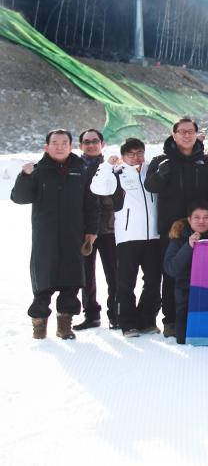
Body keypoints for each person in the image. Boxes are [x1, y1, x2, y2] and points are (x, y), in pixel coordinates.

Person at [11, 130, 98, 340]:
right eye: (55, 143)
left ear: (71, 146)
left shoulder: (81, 169)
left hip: (73, 234)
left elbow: (90, 203)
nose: (60, 146)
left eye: (64, 143)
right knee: (43, 283)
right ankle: (39, 327)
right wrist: (25, 176)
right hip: (45, 236)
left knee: (71, 282)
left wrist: (91, 231)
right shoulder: (38, 170)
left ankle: (64, 326)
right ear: (46, 147)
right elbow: (19, 198)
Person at [144, 117, 208, 338]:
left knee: (201, 272)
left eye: (190, 131)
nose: (186, 135)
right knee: (172, 272)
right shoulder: (161, 160)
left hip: (201, 225)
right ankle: (170, 319)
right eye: (181, 131)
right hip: (171, 227)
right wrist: (161, 173)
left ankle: (198, 316)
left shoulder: (205, 161)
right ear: (173, 135)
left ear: (196, 134)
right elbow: (150, 186)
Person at [90, 138, 161, 337]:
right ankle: (128, 323)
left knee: (154, 281)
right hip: (128, 237)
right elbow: (97, 188)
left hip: (154, 236)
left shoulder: (151, 170)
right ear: (123, 156)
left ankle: (147, 319)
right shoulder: (117, 173)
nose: (136, 157)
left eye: (139, 153)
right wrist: (106, 166)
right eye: (131, 154)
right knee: (126, 282)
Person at [162, 203, 208, 345]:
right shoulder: (179, 237)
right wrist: (189, 247)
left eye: (206, 218)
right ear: (189, 219)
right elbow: (171, 268)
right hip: (187, 295)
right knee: (183, 339)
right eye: (197, 217)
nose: (201, 221)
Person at [76, 128, 118, 331]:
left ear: (102, 144)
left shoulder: (112, 166)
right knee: (86, 275)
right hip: (83, 230)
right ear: (80, 146)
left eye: (95, 141)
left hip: (109, 229)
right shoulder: (75, 167)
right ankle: (91, 314)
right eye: (87, 141)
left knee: (114, 274)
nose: (91, 144)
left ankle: (116, 313)